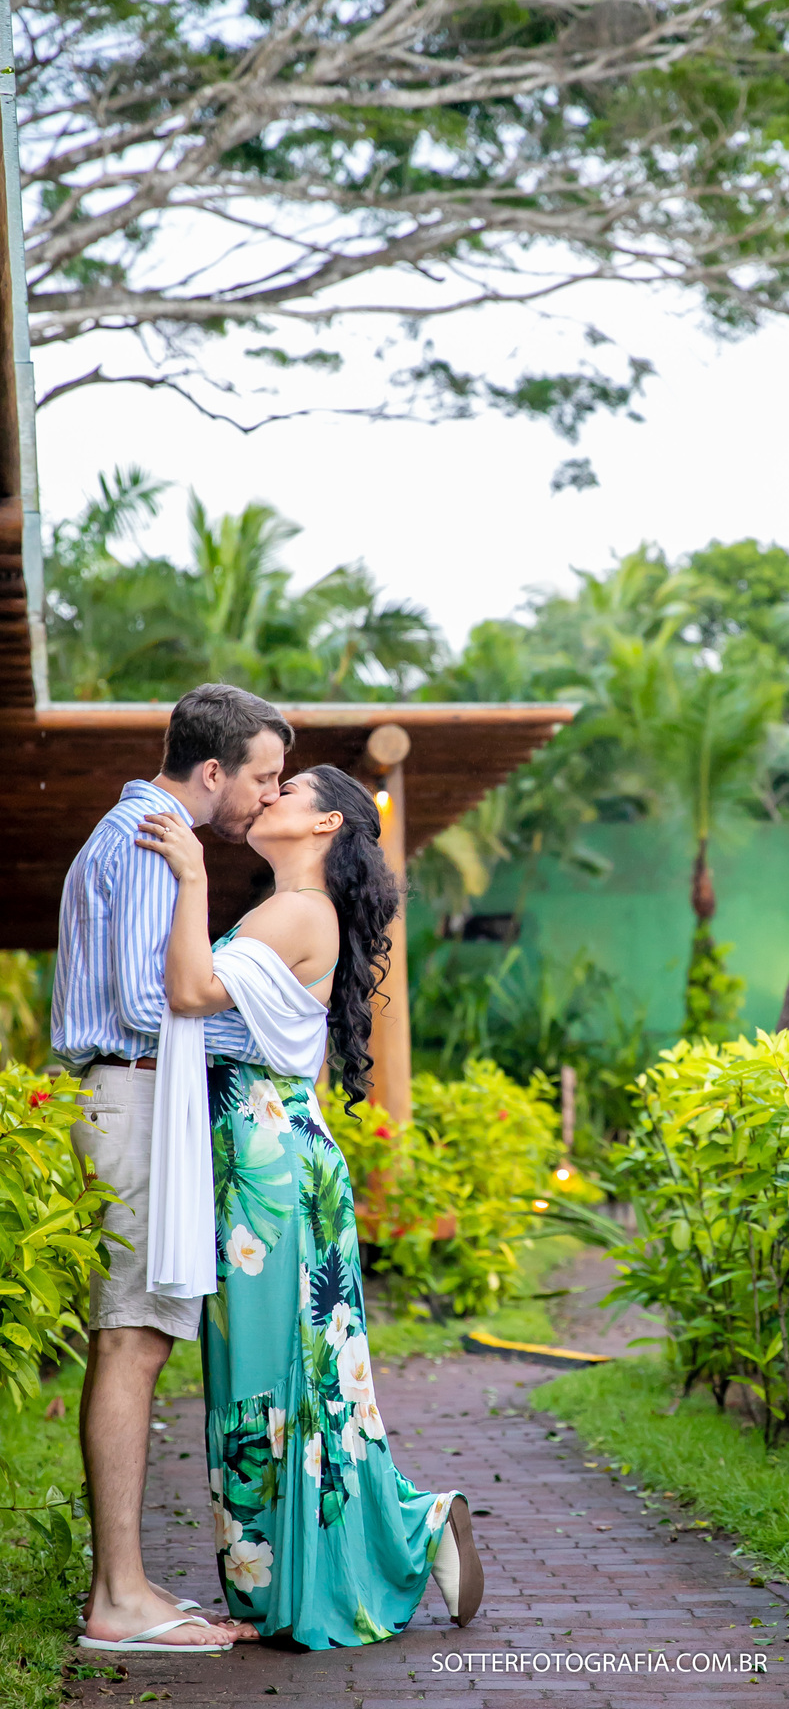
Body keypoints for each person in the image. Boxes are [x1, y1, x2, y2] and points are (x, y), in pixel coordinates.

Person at [131, 764, 485, 1650]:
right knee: (297, 1380)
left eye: (286, 789)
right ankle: (393, 1535)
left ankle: (333, 1568)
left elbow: (189, 994)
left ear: (326, 824)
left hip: (269, 1176)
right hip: (272, 1166)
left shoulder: (296, 910)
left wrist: (191, 874)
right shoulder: (290, 910)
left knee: (271, 1380)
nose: (268, 796)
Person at [54, 683, 294, 1653]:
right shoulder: (156, 840)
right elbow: (149, 1003)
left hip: (133, 1097)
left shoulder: (133, 832)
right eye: (263, 777)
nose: (268, 797)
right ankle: (117, 1600)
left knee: (134, 1338)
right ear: (213, 770)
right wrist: (272, 1030)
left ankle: (127, 1583)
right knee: (132, 1340)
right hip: (134, 1093)